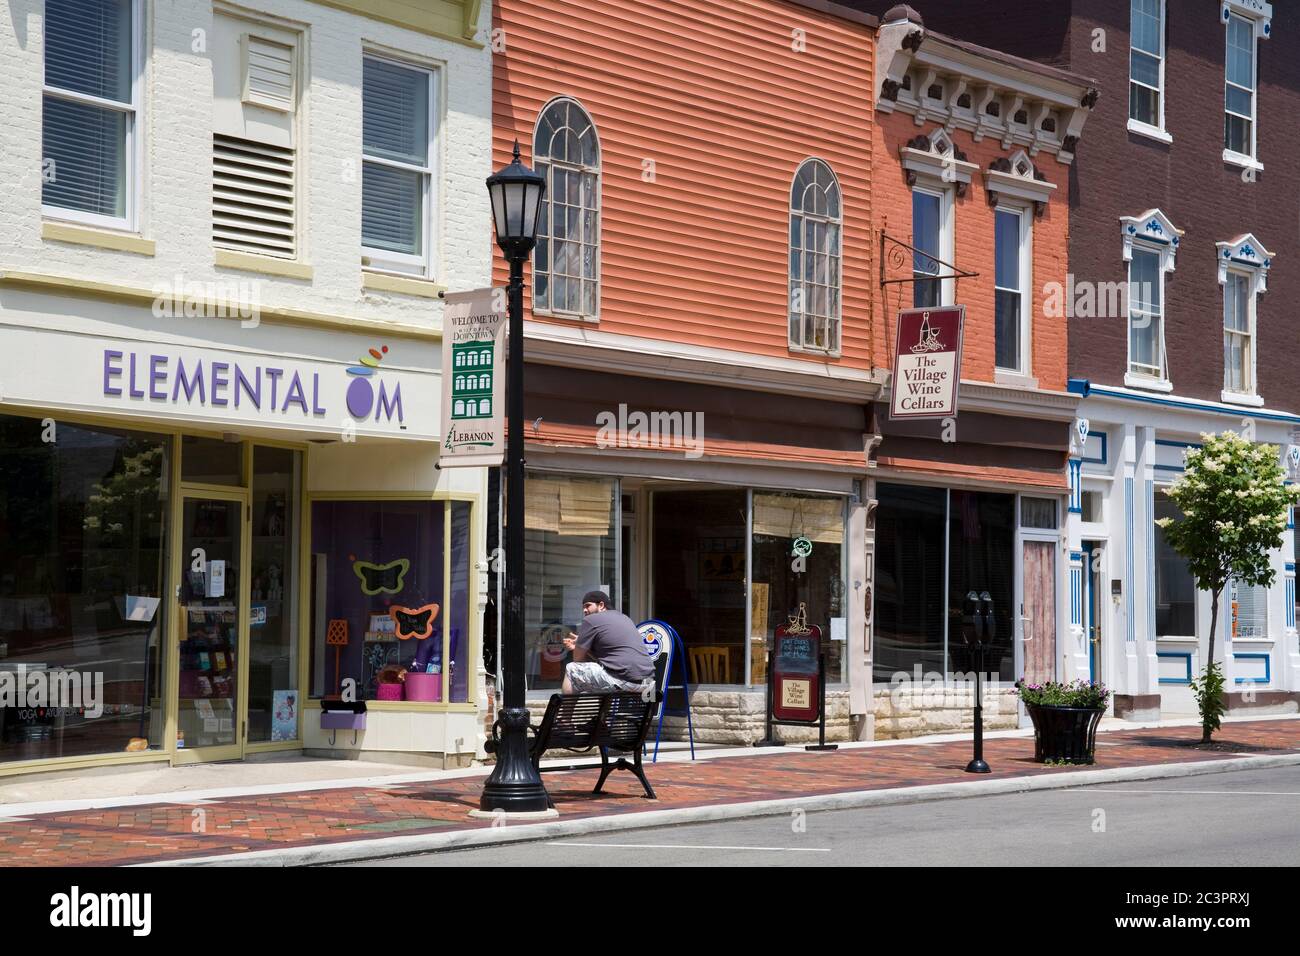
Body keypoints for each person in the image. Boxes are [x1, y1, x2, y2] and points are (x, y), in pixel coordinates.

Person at [561, 591, 654, 695]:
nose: (584, 610)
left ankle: (566, 711)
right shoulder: (625, 618)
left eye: (588, 606)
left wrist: (578, 648)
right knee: (599, 675)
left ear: (601, 605)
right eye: (583, 607)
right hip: (649, 683)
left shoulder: (591, 620)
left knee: (572, 669)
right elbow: (612, 656)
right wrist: (582, 645)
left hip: (624, 680)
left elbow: (578, 660)